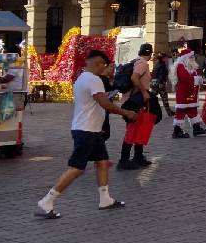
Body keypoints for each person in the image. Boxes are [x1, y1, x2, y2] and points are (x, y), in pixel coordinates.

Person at [37, 50, 135, 219]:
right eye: (104, 66)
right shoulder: (93, 79)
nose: (104, 69)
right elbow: (106, 104)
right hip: (86, 130)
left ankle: (105, 199)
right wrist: (126, 113)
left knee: (102, 162)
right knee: (76, 168)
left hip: (92, 130)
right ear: (98, 63)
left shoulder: (83, 77)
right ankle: (47, 200)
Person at [119, 43, 155, 170]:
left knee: (140, 127)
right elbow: (135, 78)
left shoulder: (135, 61)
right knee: (132, 130)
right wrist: (144, 92)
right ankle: (123, 160)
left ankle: (138, 156)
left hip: (132, 101)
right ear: (150, 53)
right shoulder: (143, 63)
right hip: (135, 102)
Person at [172, 41, 206, 138]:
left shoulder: (190, 67)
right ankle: (177, 131)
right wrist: (198, 79)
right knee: (181, 111)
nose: (193, 58)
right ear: (186, 58)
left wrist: (202, 80)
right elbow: (185, 78)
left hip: (191, 93)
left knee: (192, 110)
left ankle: (196, 128)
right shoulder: (181, 66)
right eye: (191, 57)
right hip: (184, 93)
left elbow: (194, 77)